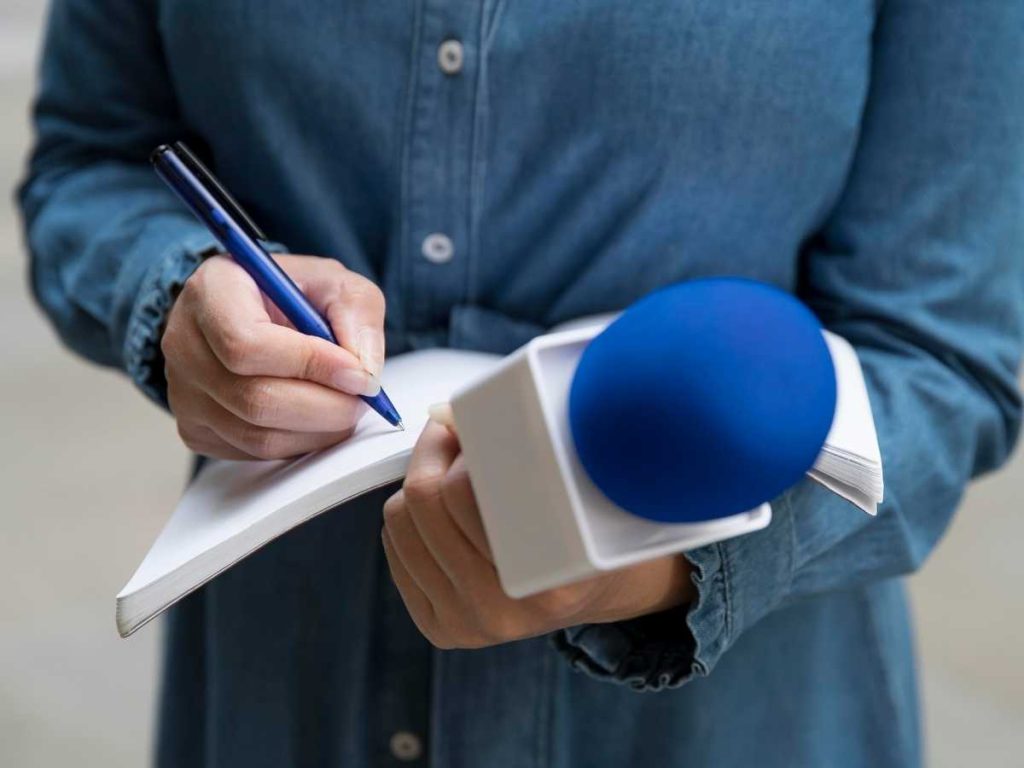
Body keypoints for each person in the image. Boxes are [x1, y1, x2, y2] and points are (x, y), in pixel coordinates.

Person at [19, 1, 1023, 766]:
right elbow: (89, 157)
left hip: (729, 722)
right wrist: (175, 294)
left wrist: (653, 574)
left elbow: (941, 350)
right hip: (281, 690)